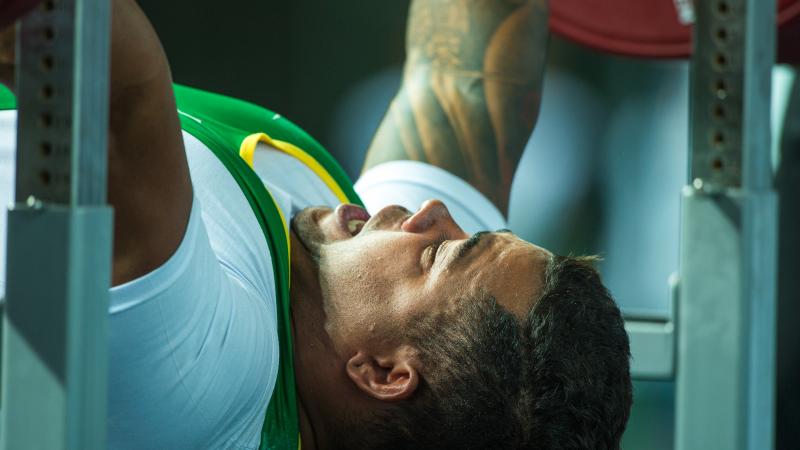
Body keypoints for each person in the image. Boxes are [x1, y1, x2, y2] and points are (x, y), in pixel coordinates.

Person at [0, 0, 632, 448]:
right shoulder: (343, 274)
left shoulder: (205, 381)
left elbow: (82, 54)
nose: (437, 218)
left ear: (383, 373)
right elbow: (462, 74)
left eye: (444, 255)